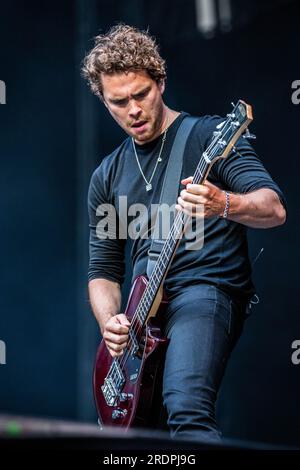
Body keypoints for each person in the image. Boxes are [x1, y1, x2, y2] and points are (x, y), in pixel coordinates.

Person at [82, 24, 286, 443]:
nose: (133, 109)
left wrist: (223, 204)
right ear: (103, 101)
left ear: (161, 81)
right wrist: (111, 322)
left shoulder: (208, 136)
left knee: (188, 408)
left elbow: (273, 207)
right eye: (118, 101)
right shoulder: (107, 174)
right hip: (142, 316)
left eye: (141, 94)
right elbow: (102, 270)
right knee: (144, 435)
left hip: (204, 287)